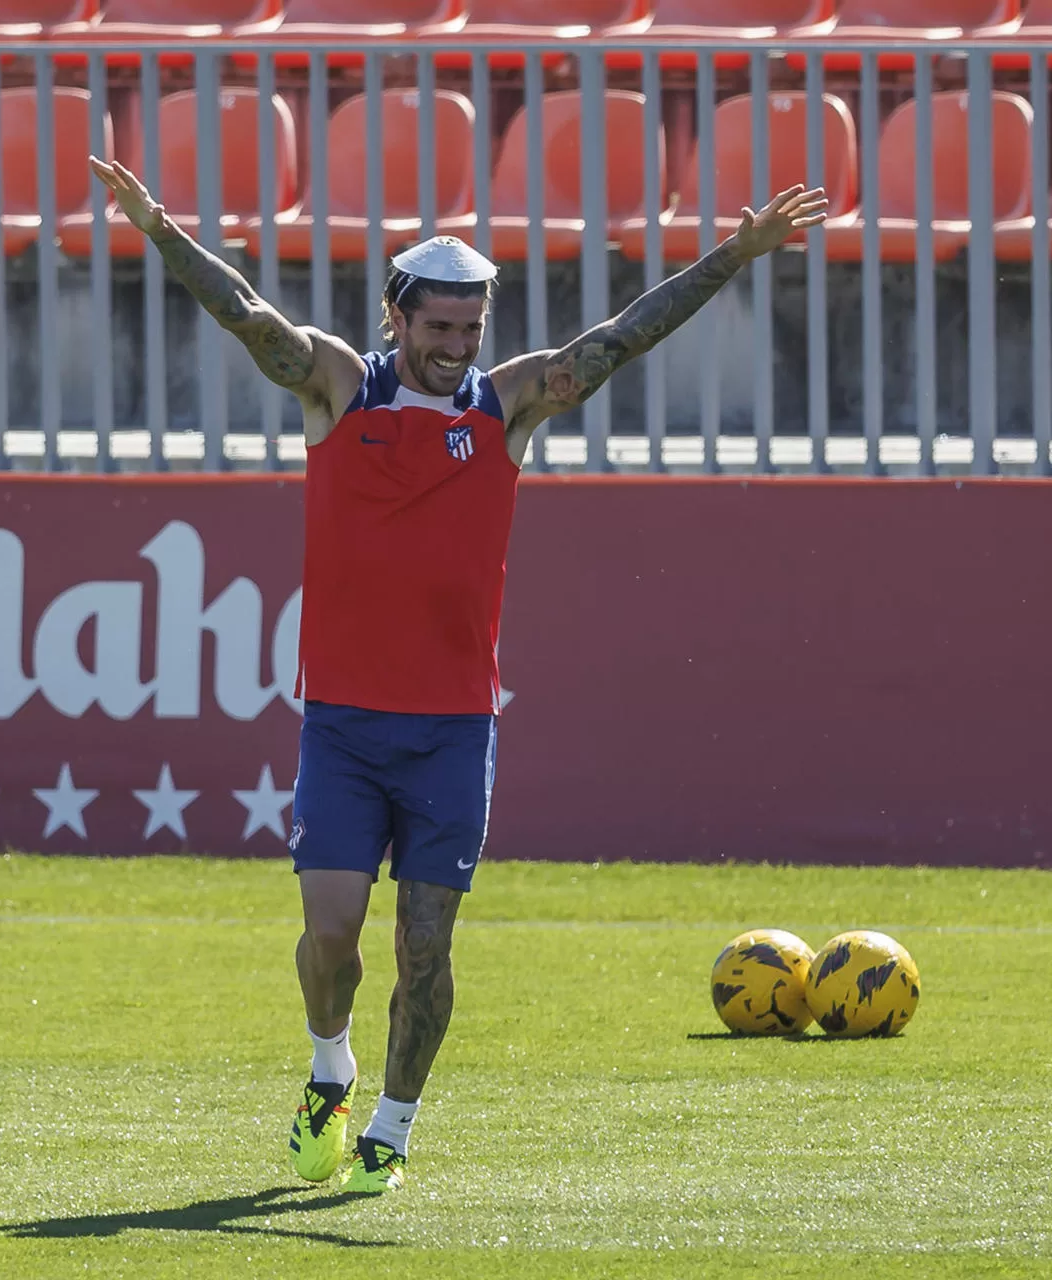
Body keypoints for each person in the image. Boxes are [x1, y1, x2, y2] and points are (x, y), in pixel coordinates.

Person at [88, 152, 828, 1195]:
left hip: (452, 730)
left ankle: (390, 1130)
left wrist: (735, 255)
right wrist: (164, 233)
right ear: (397, 317)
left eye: (470, 328)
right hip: (343, 724)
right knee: (331, 937)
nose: (455, 346)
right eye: (438, 326)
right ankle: (330, 1067)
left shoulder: (510, 403)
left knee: (425, 948)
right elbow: (251, 318)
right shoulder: (340, 387)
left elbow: (624, 336)